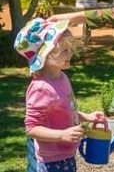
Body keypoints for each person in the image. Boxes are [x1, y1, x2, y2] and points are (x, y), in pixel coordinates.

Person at [14, 18, 105, 172]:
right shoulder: (41, 88)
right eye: (64, 50)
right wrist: (61, 135)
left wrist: (86, 117)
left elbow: (65, 110)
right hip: (51, 161)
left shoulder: (62, 77)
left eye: (70, 49)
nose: (70, 54)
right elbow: (31, 128)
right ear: (44, 54)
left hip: (66, 154)